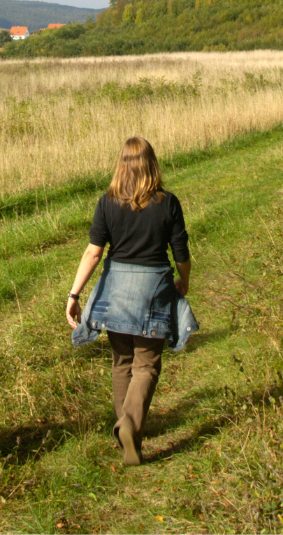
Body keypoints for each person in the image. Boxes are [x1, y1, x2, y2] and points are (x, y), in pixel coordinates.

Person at [66, 137, 198, 467]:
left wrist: (74, 293)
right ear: (152, 164)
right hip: (153, 288)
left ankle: (125, 425)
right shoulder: (168, 203)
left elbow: (94, 252)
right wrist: (185, 280)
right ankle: (130, 425)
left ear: (121, 164)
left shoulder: (107, 202)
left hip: (116, 290)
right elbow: (181, 253)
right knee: (147, 364)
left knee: (122, 360)